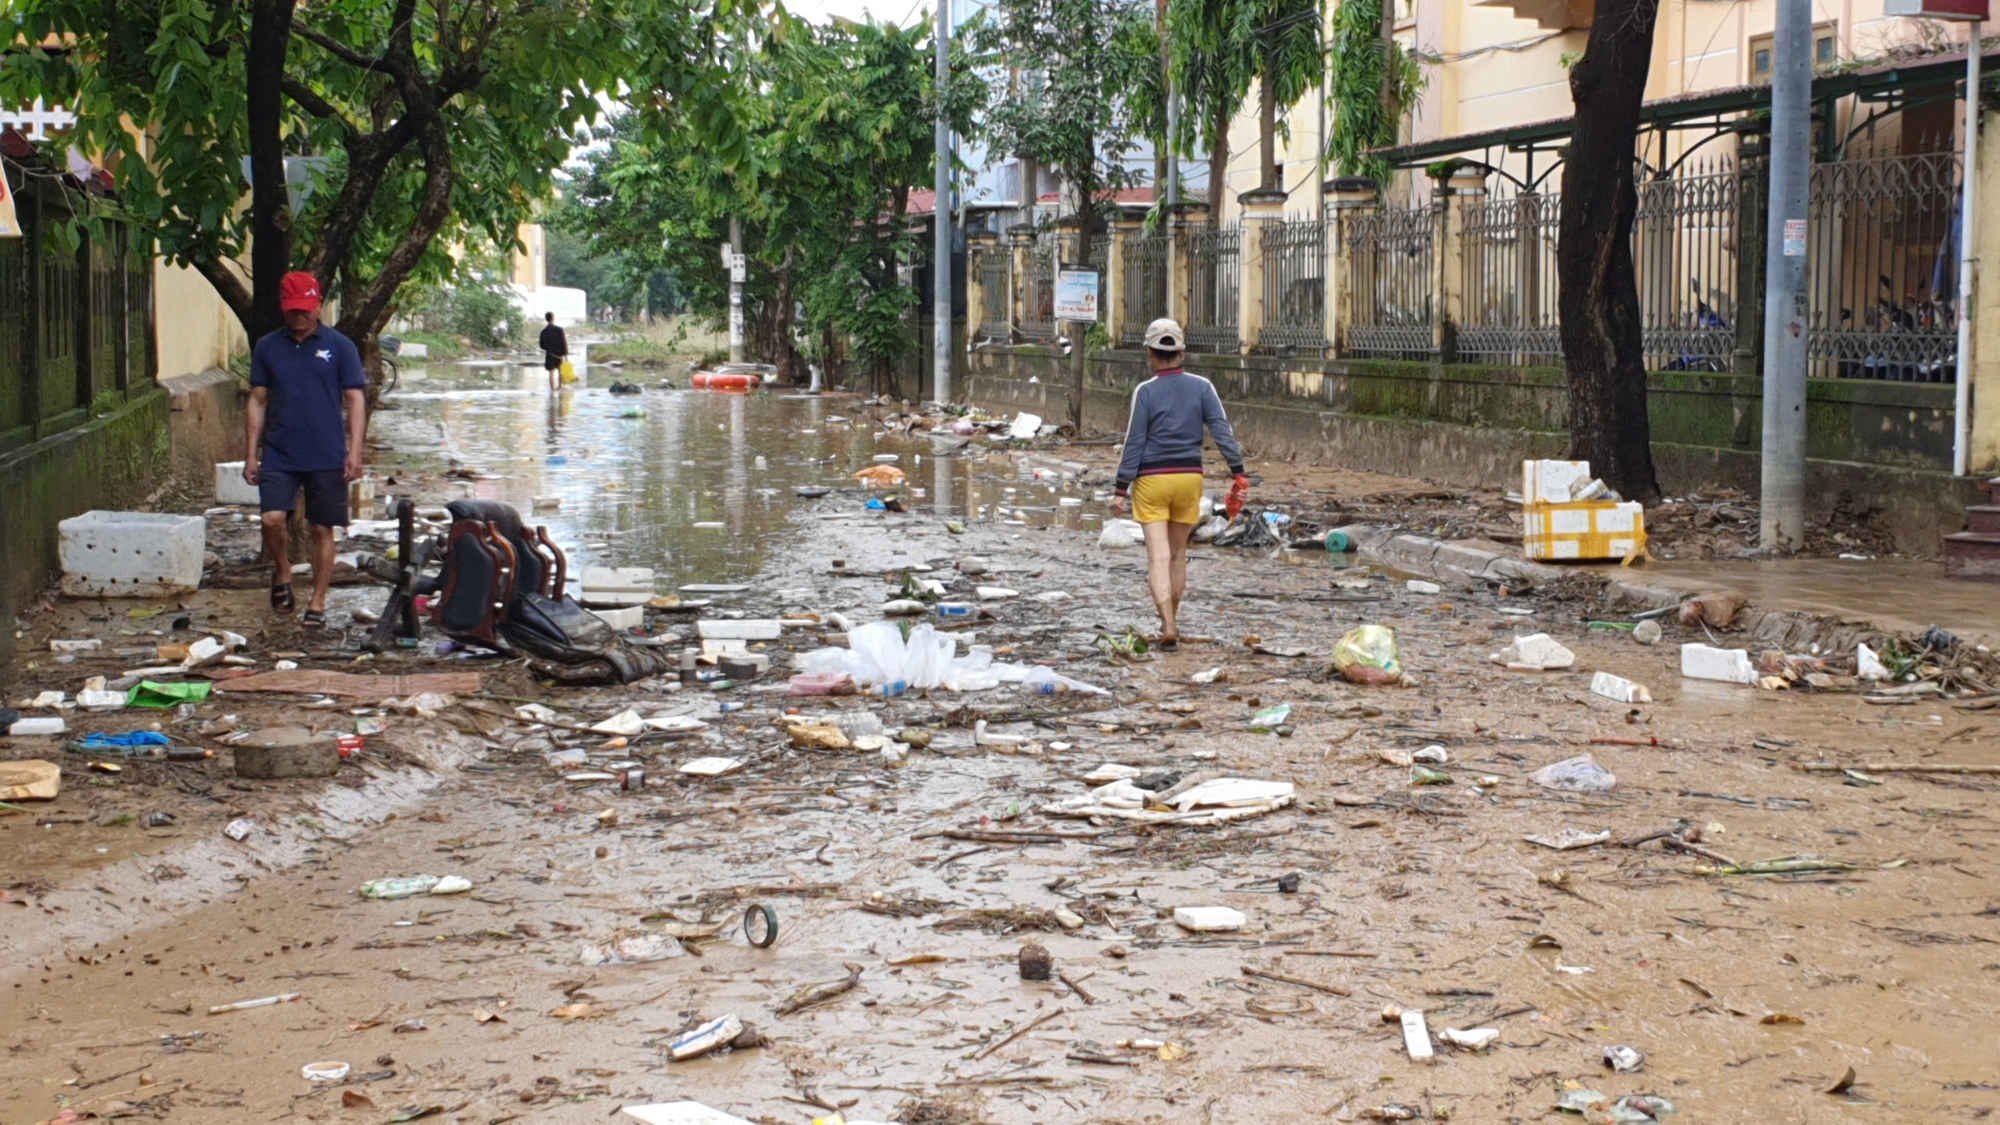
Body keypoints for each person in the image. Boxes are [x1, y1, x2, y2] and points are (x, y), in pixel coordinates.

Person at [1109, 318, 1250, 650]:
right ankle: (1173, 619)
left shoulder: (1145, 391)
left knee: (1157, 557)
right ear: (1182, 352)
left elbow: (1134, 443)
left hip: (1151, 482)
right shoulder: (1203, 386)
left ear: (1150, 353)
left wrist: (1119, 490)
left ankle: (1167, 625)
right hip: (1189, 478)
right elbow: (1221, 432)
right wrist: (1238, 471)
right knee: (1178, 554)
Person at [244, 271, 368, 628]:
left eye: (307, 310)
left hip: (327, 451)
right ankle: (283, 569)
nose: (301, 317)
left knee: (321, 528)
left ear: (319, 305)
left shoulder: (340, 346)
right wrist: (251, 453)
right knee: (272, 519)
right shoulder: (268, 346)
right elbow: (258, 399)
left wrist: (354, 450)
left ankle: (318, 600)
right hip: (280, 450)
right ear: (283, 308)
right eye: (294, 311)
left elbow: (355, 399)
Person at [539, 311, 568, 390]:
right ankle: (560, 387)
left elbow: (541, 345)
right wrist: (566, 355)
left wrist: (548, 348)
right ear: (553, 318)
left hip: (550, 354)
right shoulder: (559, 330)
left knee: (551, 373)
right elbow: (564, 343)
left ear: (546, 319)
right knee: (560, 371)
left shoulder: (544, 331)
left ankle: (552, 390)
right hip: (559, 354)